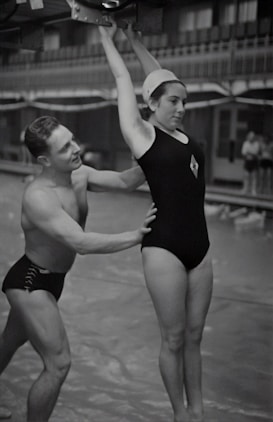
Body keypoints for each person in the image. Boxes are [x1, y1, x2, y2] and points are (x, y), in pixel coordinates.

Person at [0, 115, 156, 422]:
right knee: (58, 364)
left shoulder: (80, 174)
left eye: (72, 139)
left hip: (50, 280)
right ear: (45, 159)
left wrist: (155, 150)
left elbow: (126, 181)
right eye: (64, 147)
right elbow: (81, 243)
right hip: (31, 282)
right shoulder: (39, 197)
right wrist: (136, 236)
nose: (75, 148)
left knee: (9, 341)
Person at [99, 23, 213, 422]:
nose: (181, 108)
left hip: (201, 249)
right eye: (173, 103)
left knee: (196, 337)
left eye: (184, 102)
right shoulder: (143, 135)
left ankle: (198, 412)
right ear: (152, 105)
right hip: (164, 247)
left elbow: (160, 78)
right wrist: (105, 39)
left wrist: (135, 41)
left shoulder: (181, 134)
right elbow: (123, 79)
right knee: (175, 337)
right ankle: (180, 413)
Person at [241, 131, 260, 195]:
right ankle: (245, 189)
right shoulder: (245, 143)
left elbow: (256, 153)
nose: (252, 138)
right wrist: (251, 153)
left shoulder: (256, 144)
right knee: (246, 176)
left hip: (254, 162)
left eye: (253, 137)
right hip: (247, 161)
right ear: (248, 137)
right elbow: (243, 153)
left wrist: (249, 152)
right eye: (251, 136)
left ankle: (253, 190)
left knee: (253, 177)